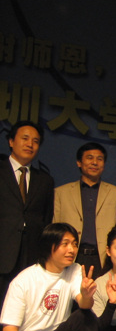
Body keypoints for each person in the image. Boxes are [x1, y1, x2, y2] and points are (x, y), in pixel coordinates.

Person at [0, 121, 54, 309]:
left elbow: (46, 218)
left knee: (23, 309)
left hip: (30, 255)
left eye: (35, 141)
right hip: (3, 250)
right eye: (25, 138)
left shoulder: (45, 180)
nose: (30, 144)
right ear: (11, 141)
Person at [53, 142, 116, 278]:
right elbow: (55, 228)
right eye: (89, 158)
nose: (95, 162)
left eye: (99, 159)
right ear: (79, 162)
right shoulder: (61, 192)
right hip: (72, 256)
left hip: (102, 258)